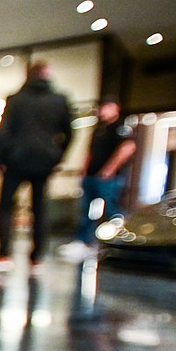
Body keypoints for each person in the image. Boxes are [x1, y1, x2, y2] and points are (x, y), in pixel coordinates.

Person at [0, 62, 73, 275]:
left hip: (16, 160)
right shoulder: (59, 100)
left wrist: (0, 159)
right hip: (44, 161)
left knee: (5, 205)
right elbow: (69, 133)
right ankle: (36, 259)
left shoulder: (16, 100)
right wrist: (57, 156)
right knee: (40, 208)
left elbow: (3, 132)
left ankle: (3, 254)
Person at [57, 98, 135, 261]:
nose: (103, 111)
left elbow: (127, 148)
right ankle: (83, 242)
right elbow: (90, 151)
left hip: (108, 178)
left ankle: (122, 242)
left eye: (107, 107)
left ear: (116, 108)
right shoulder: (98, 129)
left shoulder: (121, 128)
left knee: (112, 209)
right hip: (91, 176)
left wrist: (109, 169)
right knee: (86, 210)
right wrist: (84, 169)